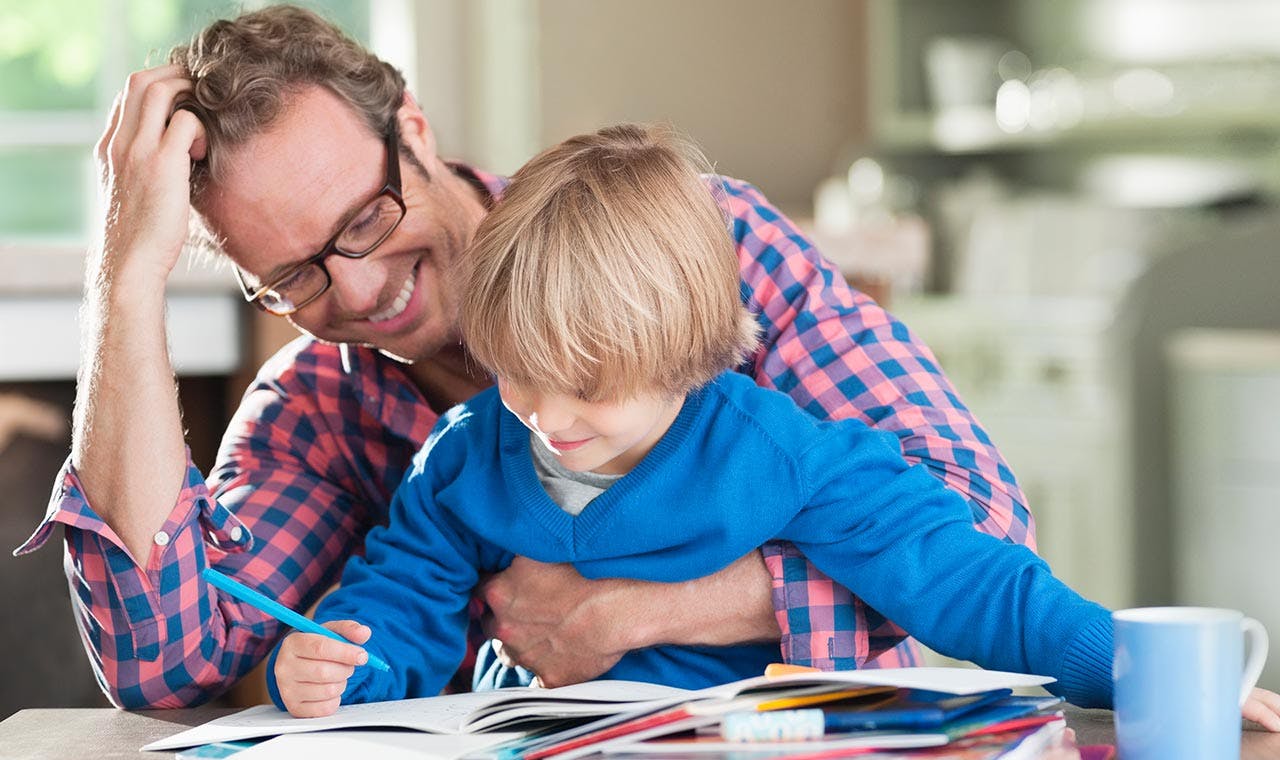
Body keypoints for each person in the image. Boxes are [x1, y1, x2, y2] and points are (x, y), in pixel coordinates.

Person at [17, 5, 1036, 709]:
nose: (360, 290)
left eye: (364, 220)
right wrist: (125, 280)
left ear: (412, 130)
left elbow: (978, 514)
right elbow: (163, 661)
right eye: (296, 278)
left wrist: (638, 612)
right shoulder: (315, 409)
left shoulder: (681, 240)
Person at [269, 123, 1119, 717]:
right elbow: (402, 599)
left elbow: (960, 573)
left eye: (588, 386)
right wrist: (346, 667)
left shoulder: (775, 451)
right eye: (519, 374)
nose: (545, 418)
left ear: (686, 356)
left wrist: (1123, 665)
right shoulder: (463, 459)